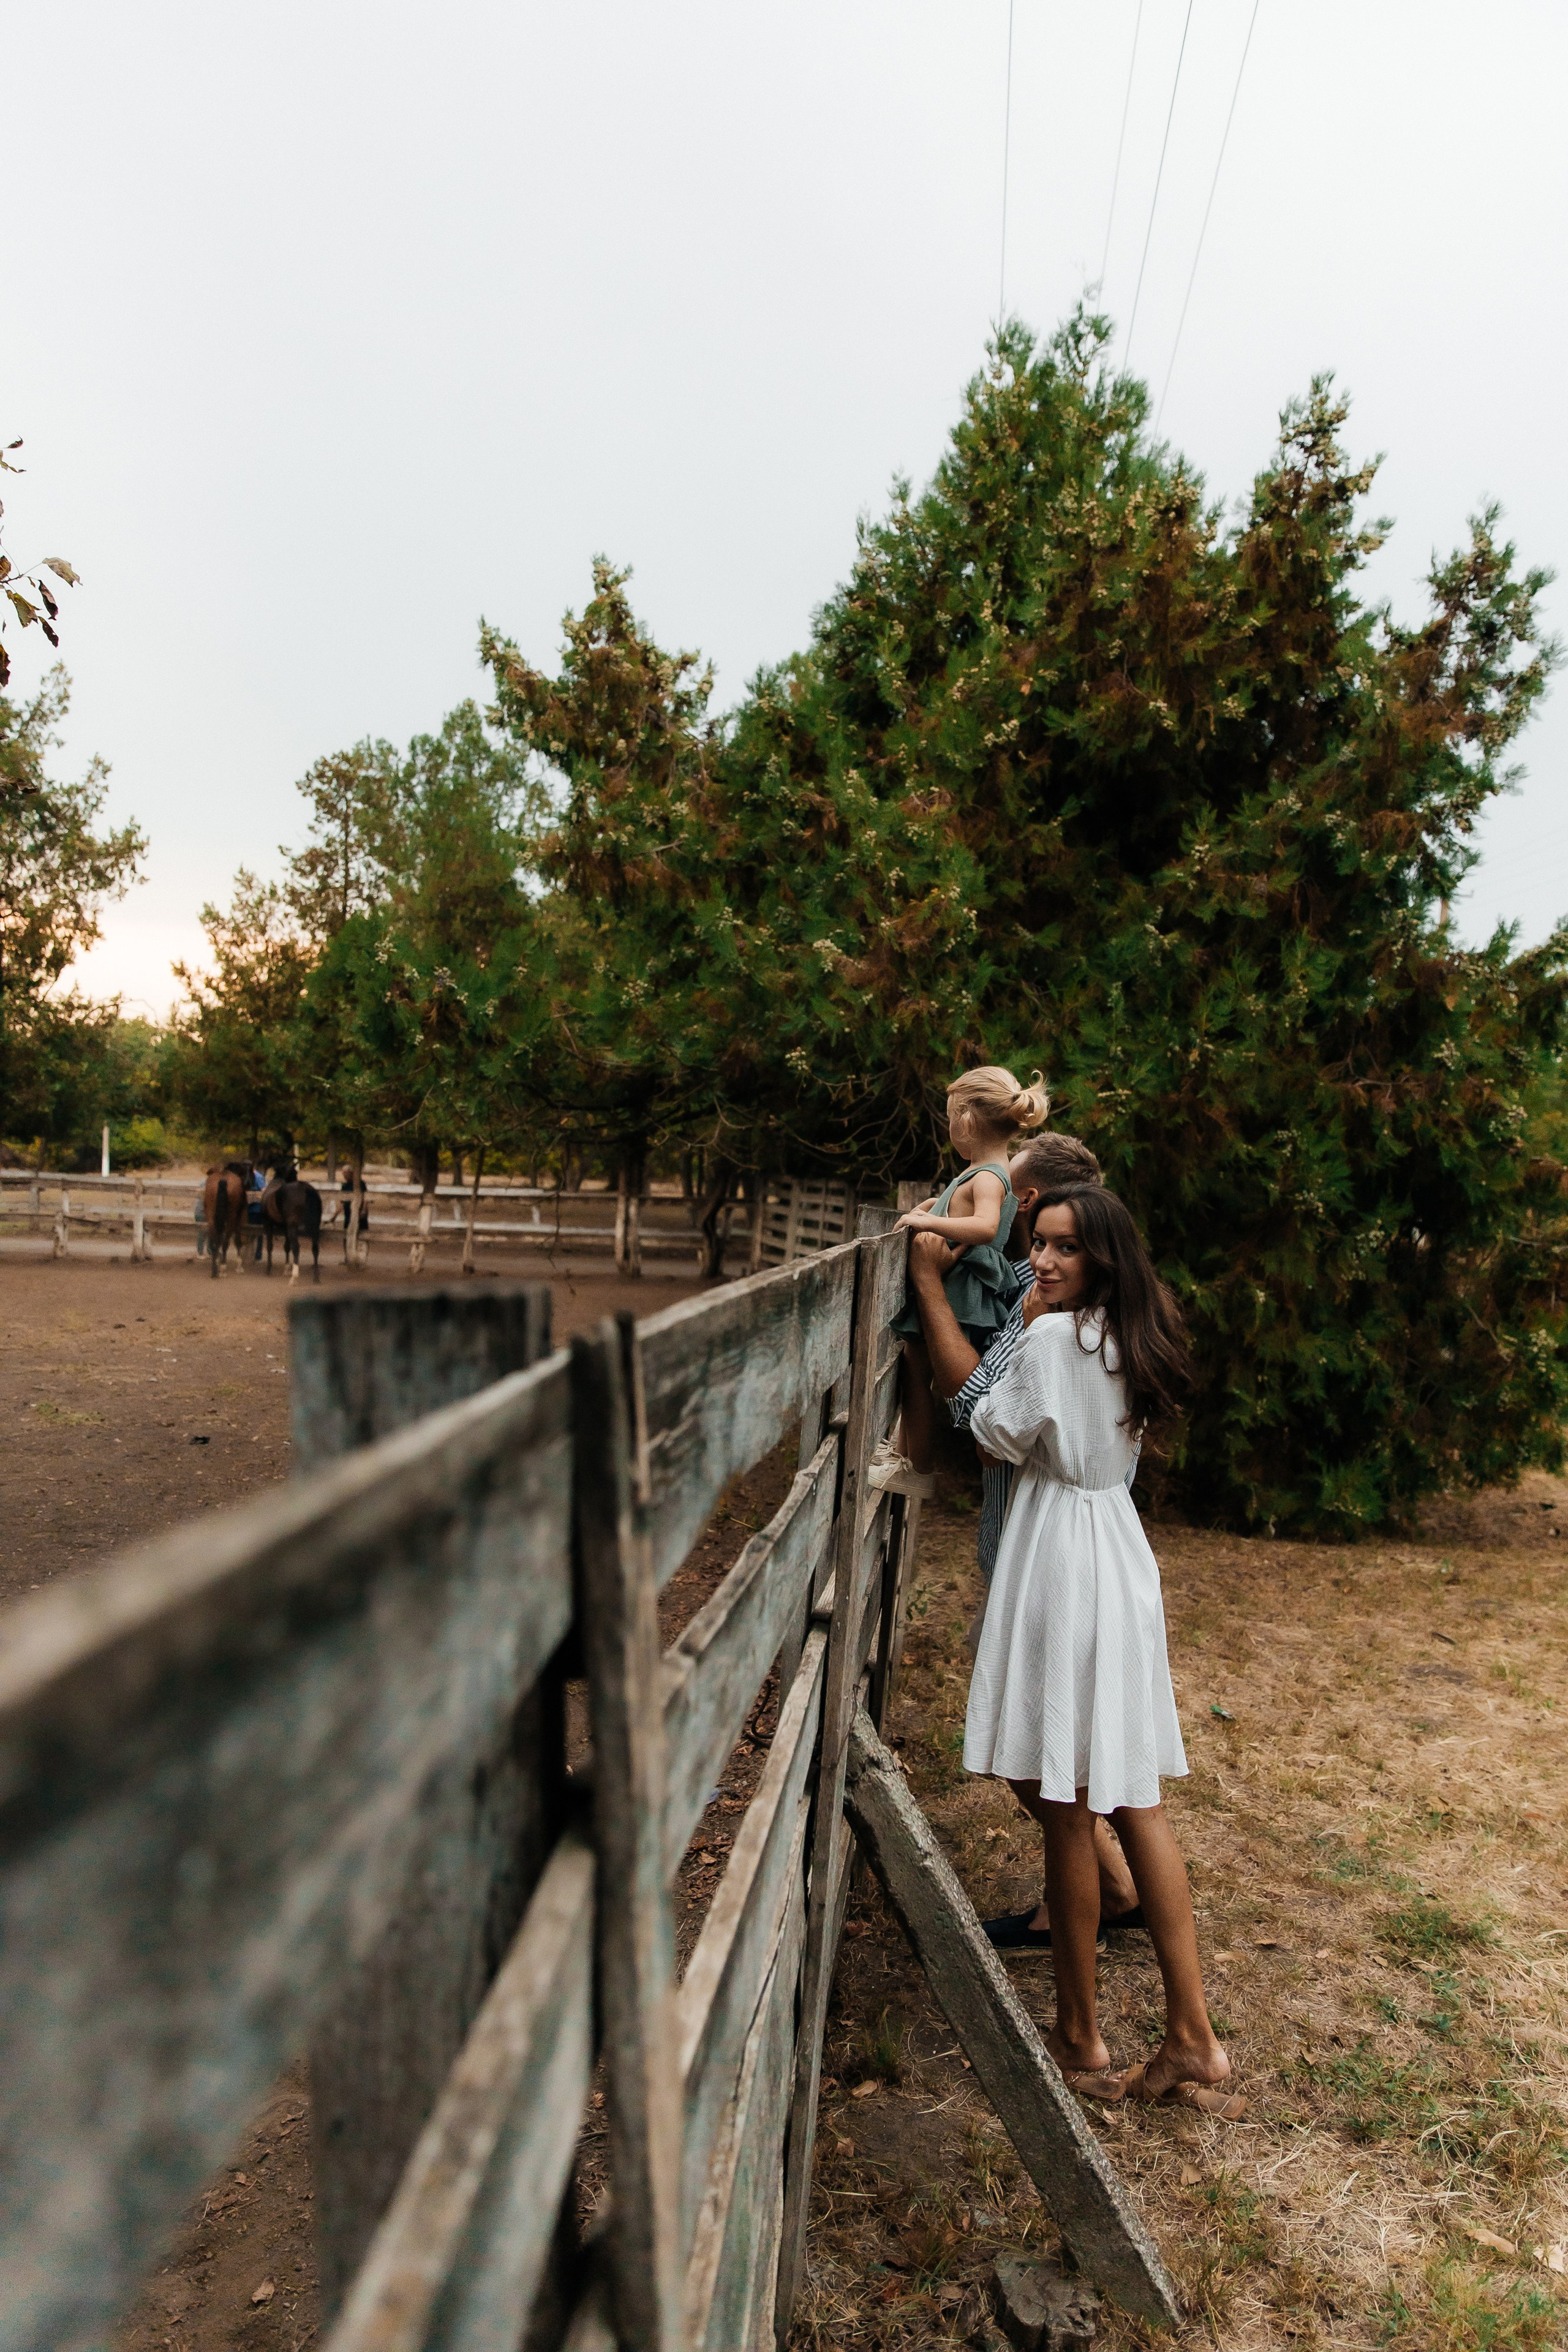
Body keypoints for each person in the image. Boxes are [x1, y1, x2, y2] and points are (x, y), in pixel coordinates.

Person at [965, 1183, 1242, 2116]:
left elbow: (992, 1431)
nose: (1043, 1263)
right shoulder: (1136, 1337)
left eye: (1064, 1250)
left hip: (1059, 1555)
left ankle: (1081, 2034)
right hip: (1119, 1551)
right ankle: (1192, 2035)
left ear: (1102, 1259)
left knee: (1067, 1805)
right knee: (1134, 1798)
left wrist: (1025, 1320)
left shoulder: (1050, 1337)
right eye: (1037, 1246)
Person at [906, 1134, 1146, 1948]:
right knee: (1091, 1739)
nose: (1000, 1215)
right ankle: (1113, 1887)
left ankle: (1096, 1895)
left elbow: (973, 1410)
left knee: (1037, 1738)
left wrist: (927, 1290)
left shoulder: (1047, 1317)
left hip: (1043, 1543)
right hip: (1097, 1540)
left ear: (1038, 1202)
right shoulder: (1080, 1302)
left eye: (1011, 1198)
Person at [875, 1065, 1048, 1495]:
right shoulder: (988, 1171)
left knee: (916, 1374)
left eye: (951, 1116)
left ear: (967, 1119)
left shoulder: (989, 1175)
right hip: (960, 1285)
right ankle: (905, 1458)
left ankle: (918, 1468)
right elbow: (966, 1208)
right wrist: (938, 1204)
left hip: (959, 1290)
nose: (950, 1125)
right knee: (914, 1370)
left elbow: (986, 1228)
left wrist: (921, 1219)